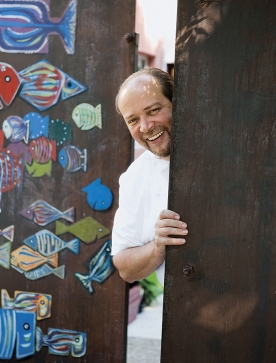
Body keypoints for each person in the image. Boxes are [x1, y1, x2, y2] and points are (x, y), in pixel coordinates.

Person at [111, 68, 188, 285]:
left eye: (153, 110)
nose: (145, 127)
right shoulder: (133, 178)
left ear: (177, 102)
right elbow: (125, 267)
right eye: (133, 120)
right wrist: (157, 247)